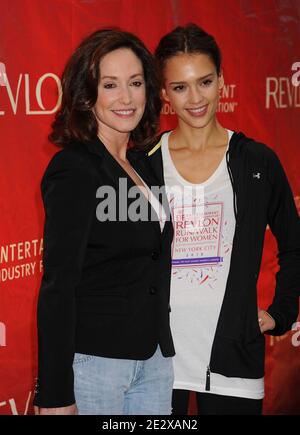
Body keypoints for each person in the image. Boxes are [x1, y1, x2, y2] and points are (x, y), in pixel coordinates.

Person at [146, 23, 300, 415]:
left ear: (222, 82)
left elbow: (294, 245)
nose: (195, 98)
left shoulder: (257, 162)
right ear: (164, 93)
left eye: (205, 82)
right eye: (179, 87)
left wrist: (280, 313)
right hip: (155, 365)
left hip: (235, 363)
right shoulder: (141, 165)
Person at [33, 28, 175, 415]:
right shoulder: (74, 169)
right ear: (86, 95)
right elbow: (59, 287)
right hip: (96, 365)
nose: (126, 98)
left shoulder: (145, 165)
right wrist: (56, 394)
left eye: (135, 83)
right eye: (110, 85)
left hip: (155, 359)